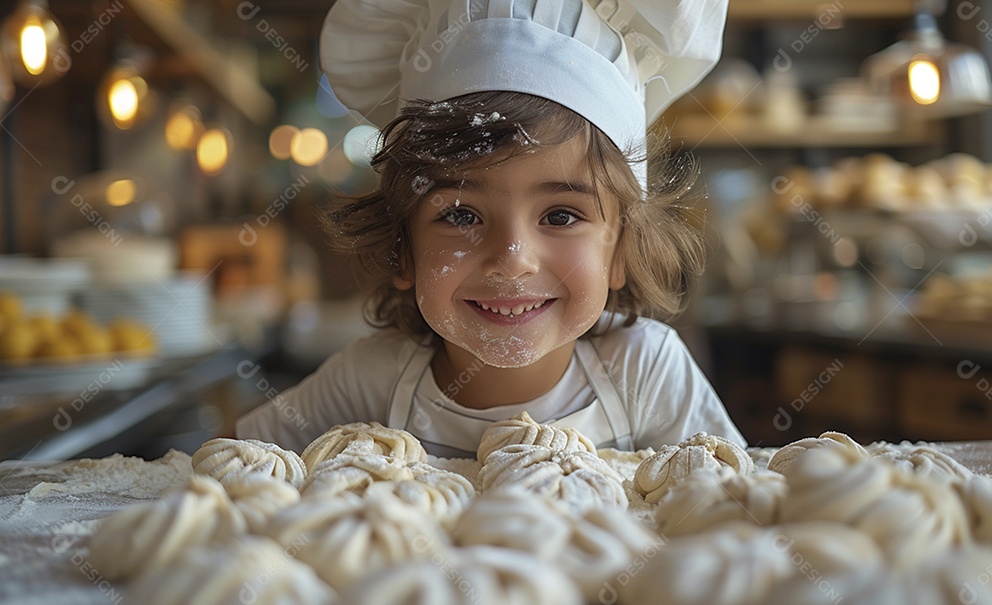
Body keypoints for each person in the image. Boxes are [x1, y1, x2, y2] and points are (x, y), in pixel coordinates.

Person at [237, 0, 744, 457]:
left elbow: (736, 505)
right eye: (460, 214)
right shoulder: (372, 381)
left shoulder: (646, 374)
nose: (513, 256)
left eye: (561, 216)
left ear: (619, 251)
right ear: (404, 249)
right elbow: (232, 473)